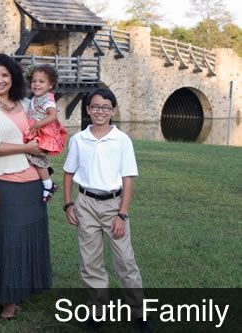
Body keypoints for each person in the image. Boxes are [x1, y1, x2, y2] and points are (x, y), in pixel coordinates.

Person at [0, 53, 52, 320]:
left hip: (33, 185)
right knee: (7, 242)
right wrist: (27, 147)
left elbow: (45, 131)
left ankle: (23, 290)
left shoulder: (26, 102)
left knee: (29, 237)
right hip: (5, 184)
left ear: (13, 77)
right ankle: (6, 300)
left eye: (5, 75)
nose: (0, 80)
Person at [62, 88, 151, 332]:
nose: (100, 111)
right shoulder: (79, 139)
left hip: (114, 204)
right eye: (95, 107)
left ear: (113, 111)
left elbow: (128, 179)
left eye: (105, 107)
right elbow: (69, 172)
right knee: (90, 261)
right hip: (86, 203)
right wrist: (69, 203)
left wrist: (122, 214)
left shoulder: (121, 140)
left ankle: (139, 312)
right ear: (88, 110)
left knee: (125, 260)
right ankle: (98, 310)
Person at [23, 64, 67, 203]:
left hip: (43, 132)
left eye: (41, 82)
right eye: (34, 81)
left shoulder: (48, 99)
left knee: (33, 155)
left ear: (50, 85)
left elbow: (53, 116)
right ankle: (46, 170)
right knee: (29, 153)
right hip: (36, 130)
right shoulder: (35, 98)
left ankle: (48, 184)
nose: (36, 84)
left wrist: (38, 124)